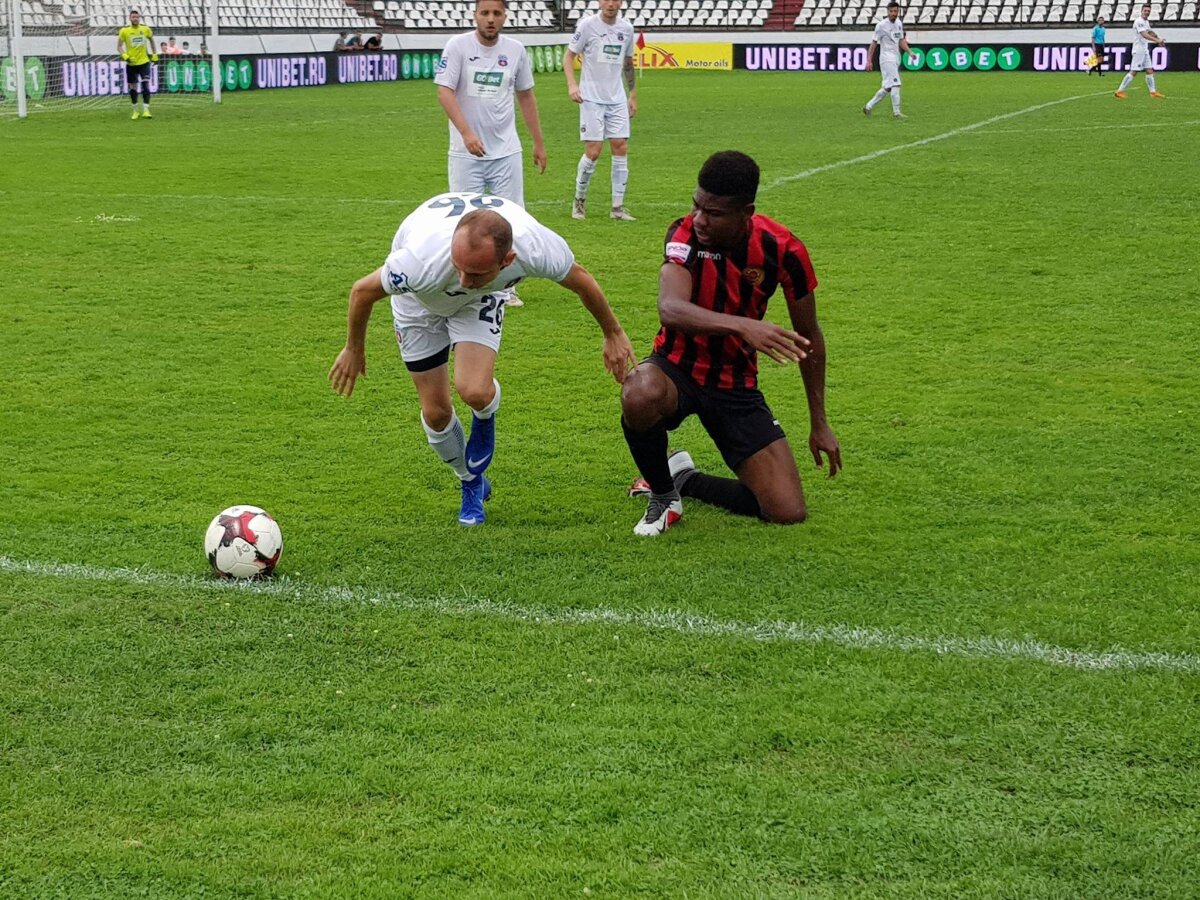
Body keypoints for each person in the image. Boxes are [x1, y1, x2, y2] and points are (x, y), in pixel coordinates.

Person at [328, 192, 636, 527]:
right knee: (436, 413)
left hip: (480, 302)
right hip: (417, 304)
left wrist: (613, 332)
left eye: (475, 273)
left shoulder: (536, 247)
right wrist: (354, 348)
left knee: (474, 390)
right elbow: (362, 291)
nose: (462, 280)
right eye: (458, 267)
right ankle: (470, 480)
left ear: (508, 261)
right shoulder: (420, 261)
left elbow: (581, 280)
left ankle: (485, 415)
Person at [621, 151, 841, 536]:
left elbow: (810, 338)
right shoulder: (684, 233)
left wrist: (819, 422)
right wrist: (744, 327)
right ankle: (662, 496)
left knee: (786, 510)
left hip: (734, 383)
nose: (700, 219)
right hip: (676, 369)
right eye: (697, 205)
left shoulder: (785, 251)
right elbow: (671, 308)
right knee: (639, 390)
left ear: (747, 212)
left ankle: (683, 479)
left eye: (715, 213)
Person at [435, 0, 548, 307]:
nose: (490, 19)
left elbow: (525, 96)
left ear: (504, 17)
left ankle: (507, 287)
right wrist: (467, 133)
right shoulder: (457, 46)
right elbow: (444, 91)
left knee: (511, 218)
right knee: (463, 220)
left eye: (496, 13)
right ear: (475, 15)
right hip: (465, 153)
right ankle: (463, 283)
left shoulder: (515, 51)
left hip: (506, 151)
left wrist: (538, 142)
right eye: (484, 13)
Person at [563, 0, 637, 222]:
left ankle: (617, 208)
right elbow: (568, 56)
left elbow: (627, 62)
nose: (610, 4)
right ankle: (579, 200)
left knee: (620, 146)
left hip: (617, 98)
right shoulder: (587, 26)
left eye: (615, 0)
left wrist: (632, 93)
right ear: (599, 2)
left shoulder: (627, 29)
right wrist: (572, 85)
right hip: (591, 98)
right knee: (594, 151)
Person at [863, 1, 910, 119]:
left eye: (896, 11)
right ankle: (897, 112)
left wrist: (910, 52)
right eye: (891, 11)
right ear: (887, 11)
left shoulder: (898, 23)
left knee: (888, 87)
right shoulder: (881, 25)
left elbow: (900, 40)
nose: (894, 13)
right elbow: (874, 43)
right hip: (886, 58)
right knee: (896, 84)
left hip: (895, 58)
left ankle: (868, 106)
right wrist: (869, 60)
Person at [1115, 4, 1166, 99]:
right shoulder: (1139, 21)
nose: (1147, 12)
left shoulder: (1145, 22)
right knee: (1134, 71)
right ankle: (1120, 91)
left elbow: (1150, 32)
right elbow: (1144, 34)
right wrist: (1157, 41)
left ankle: (1153, 92)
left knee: (1149, 70)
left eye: (1148, 11)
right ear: (1141, 11)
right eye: (1145, 10)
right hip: (1139, 50)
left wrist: (1159, 39)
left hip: (1144, 49)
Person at [117, 9, 158, 120]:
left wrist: (154, 54)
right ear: (130, 18)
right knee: (133, 87)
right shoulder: (124, 31)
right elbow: (119, 46)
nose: (135, 19)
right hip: (131, 63)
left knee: (145, 85)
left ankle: (146, 110)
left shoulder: (145, 29)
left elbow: (151, 40)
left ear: (139, 18)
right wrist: (126, 56)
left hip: (144, 62)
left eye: (137, 17)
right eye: (133, 17)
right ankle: (135, 111)